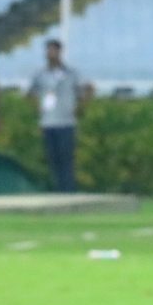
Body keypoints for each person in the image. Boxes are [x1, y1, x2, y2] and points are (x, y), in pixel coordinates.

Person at [28, 40, 90, 192]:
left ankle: (68, 190)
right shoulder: (40, 74)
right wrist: (38, 109)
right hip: (48, 122)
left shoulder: (71, 73)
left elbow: (87, 88)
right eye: (48, 51)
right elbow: (30, 93)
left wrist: (80, 107)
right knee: (52, 159)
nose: (50, 54)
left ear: (60, 52)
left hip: (66, 122)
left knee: (66, 159)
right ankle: (56, 190)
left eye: (53, 50)